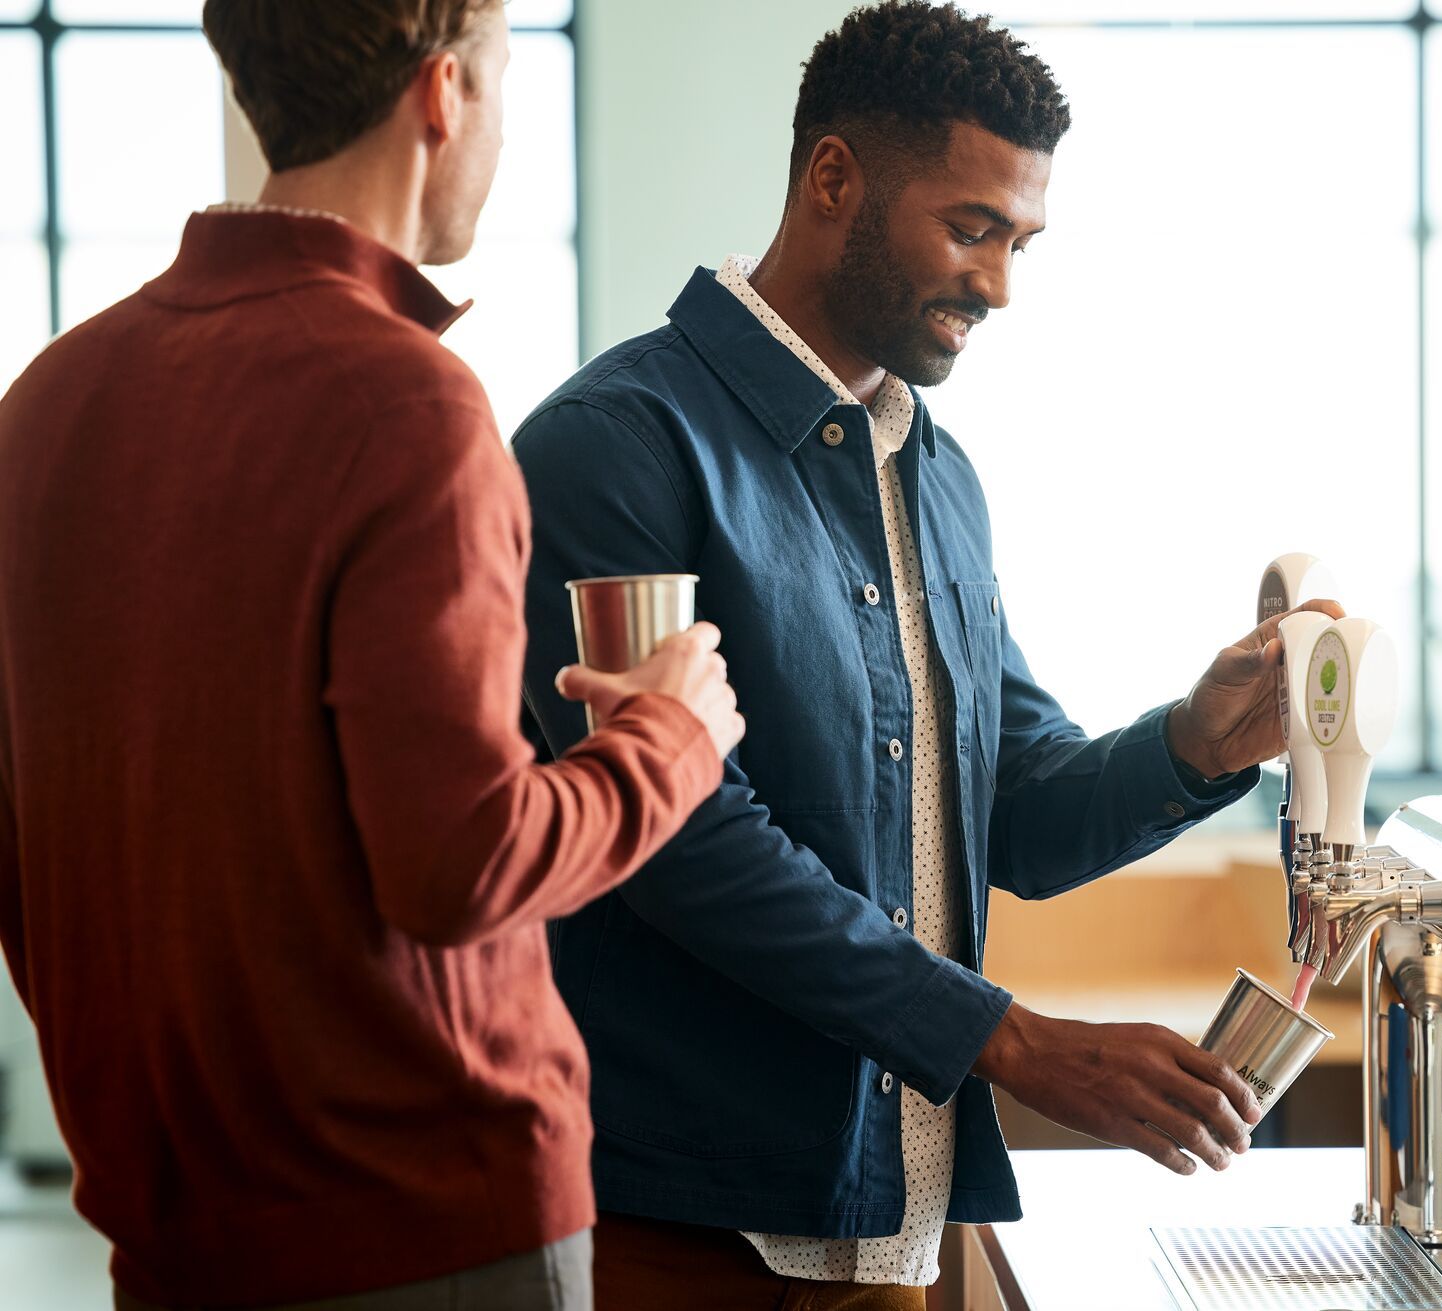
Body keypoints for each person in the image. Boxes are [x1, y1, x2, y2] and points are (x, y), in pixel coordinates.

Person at [512, 3, 1339, 1306]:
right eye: (970, 228)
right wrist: (1006, 1038)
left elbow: (1002, 804)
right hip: (678, 1223)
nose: (1000, 283)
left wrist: (1197, 738)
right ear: (833, 178)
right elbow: (678, 841)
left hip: (897, 1222)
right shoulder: (613, 448)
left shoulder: (936, 477)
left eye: (1019, 240)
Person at [0, 2, 743, 1306]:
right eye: (507, 85)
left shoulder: (45, 401)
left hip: (170, 1235)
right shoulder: (409, 399)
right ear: (443, 92)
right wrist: (667, 738)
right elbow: (465, 859)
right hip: (427, 1229)